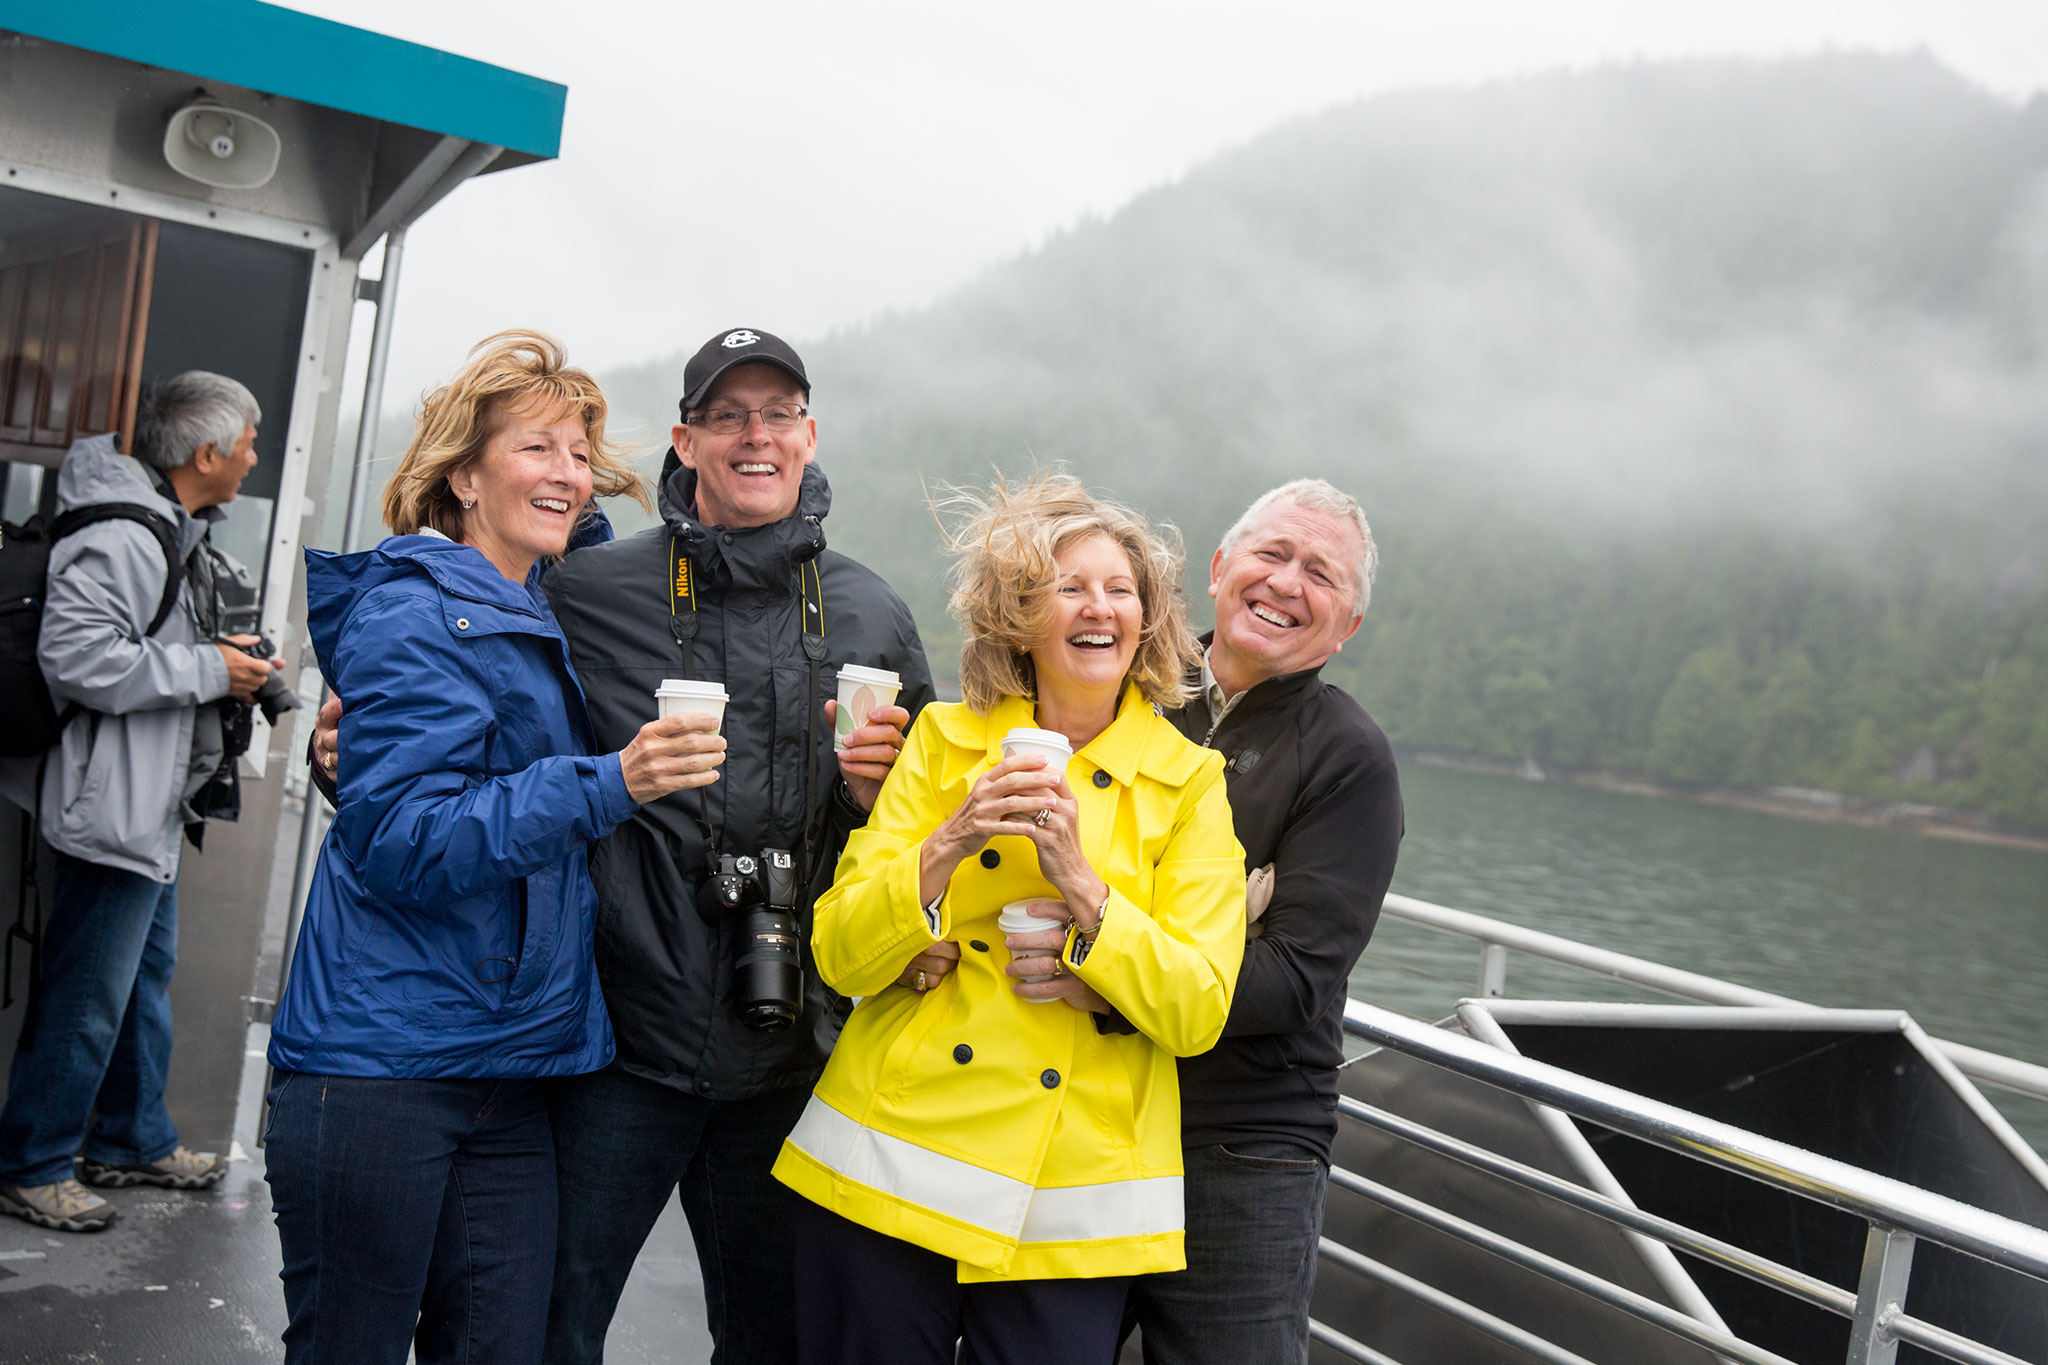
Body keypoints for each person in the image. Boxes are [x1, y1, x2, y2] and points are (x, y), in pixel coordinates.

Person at [262, 332, 720, 1364]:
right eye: (536, 448)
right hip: (378, 1069)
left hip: (511, 1071)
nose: (565, 473)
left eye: (579, 451)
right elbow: (401, 842)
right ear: (463, 475)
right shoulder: (413, 617)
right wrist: (612, 782)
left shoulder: (535, 604)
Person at [772, 472, 1248, 1365]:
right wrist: (953, 836)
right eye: (1070, 586)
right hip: (888, 1155)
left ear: (1147, 620)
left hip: (1075, 1196)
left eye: (1121, 589)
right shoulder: (944, 742)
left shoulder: (1191, 785)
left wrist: (1083, 890)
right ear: (1020, 615)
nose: (1098, 606)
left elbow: (1199, 1007)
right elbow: (837, 948)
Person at [1027, 478, 1404, 1364]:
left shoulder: (1349, 758)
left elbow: (1293, 981)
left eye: (1321, 573)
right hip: (1087, 1108)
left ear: (1346, 625)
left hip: (1243, 1140)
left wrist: (1106, 975)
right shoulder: (1122, 689)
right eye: (1272, 554)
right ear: (1221, 567)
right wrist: (1209, 925)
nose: (1287, 582)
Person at [0, 374, 281, 1233]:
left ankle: (129, 1137)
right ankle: (32, 1163)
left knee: (139, 980)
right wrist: (212, 670)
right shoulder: (127, 536)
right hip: (109, 802)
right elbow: (77, 658)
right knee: (88, 991)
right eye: (248, 442)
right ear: (206, 454)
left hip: (146, 801)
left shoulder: (165, 528)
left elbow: (138, 641)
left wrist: (216, 652)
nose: (253, 456)